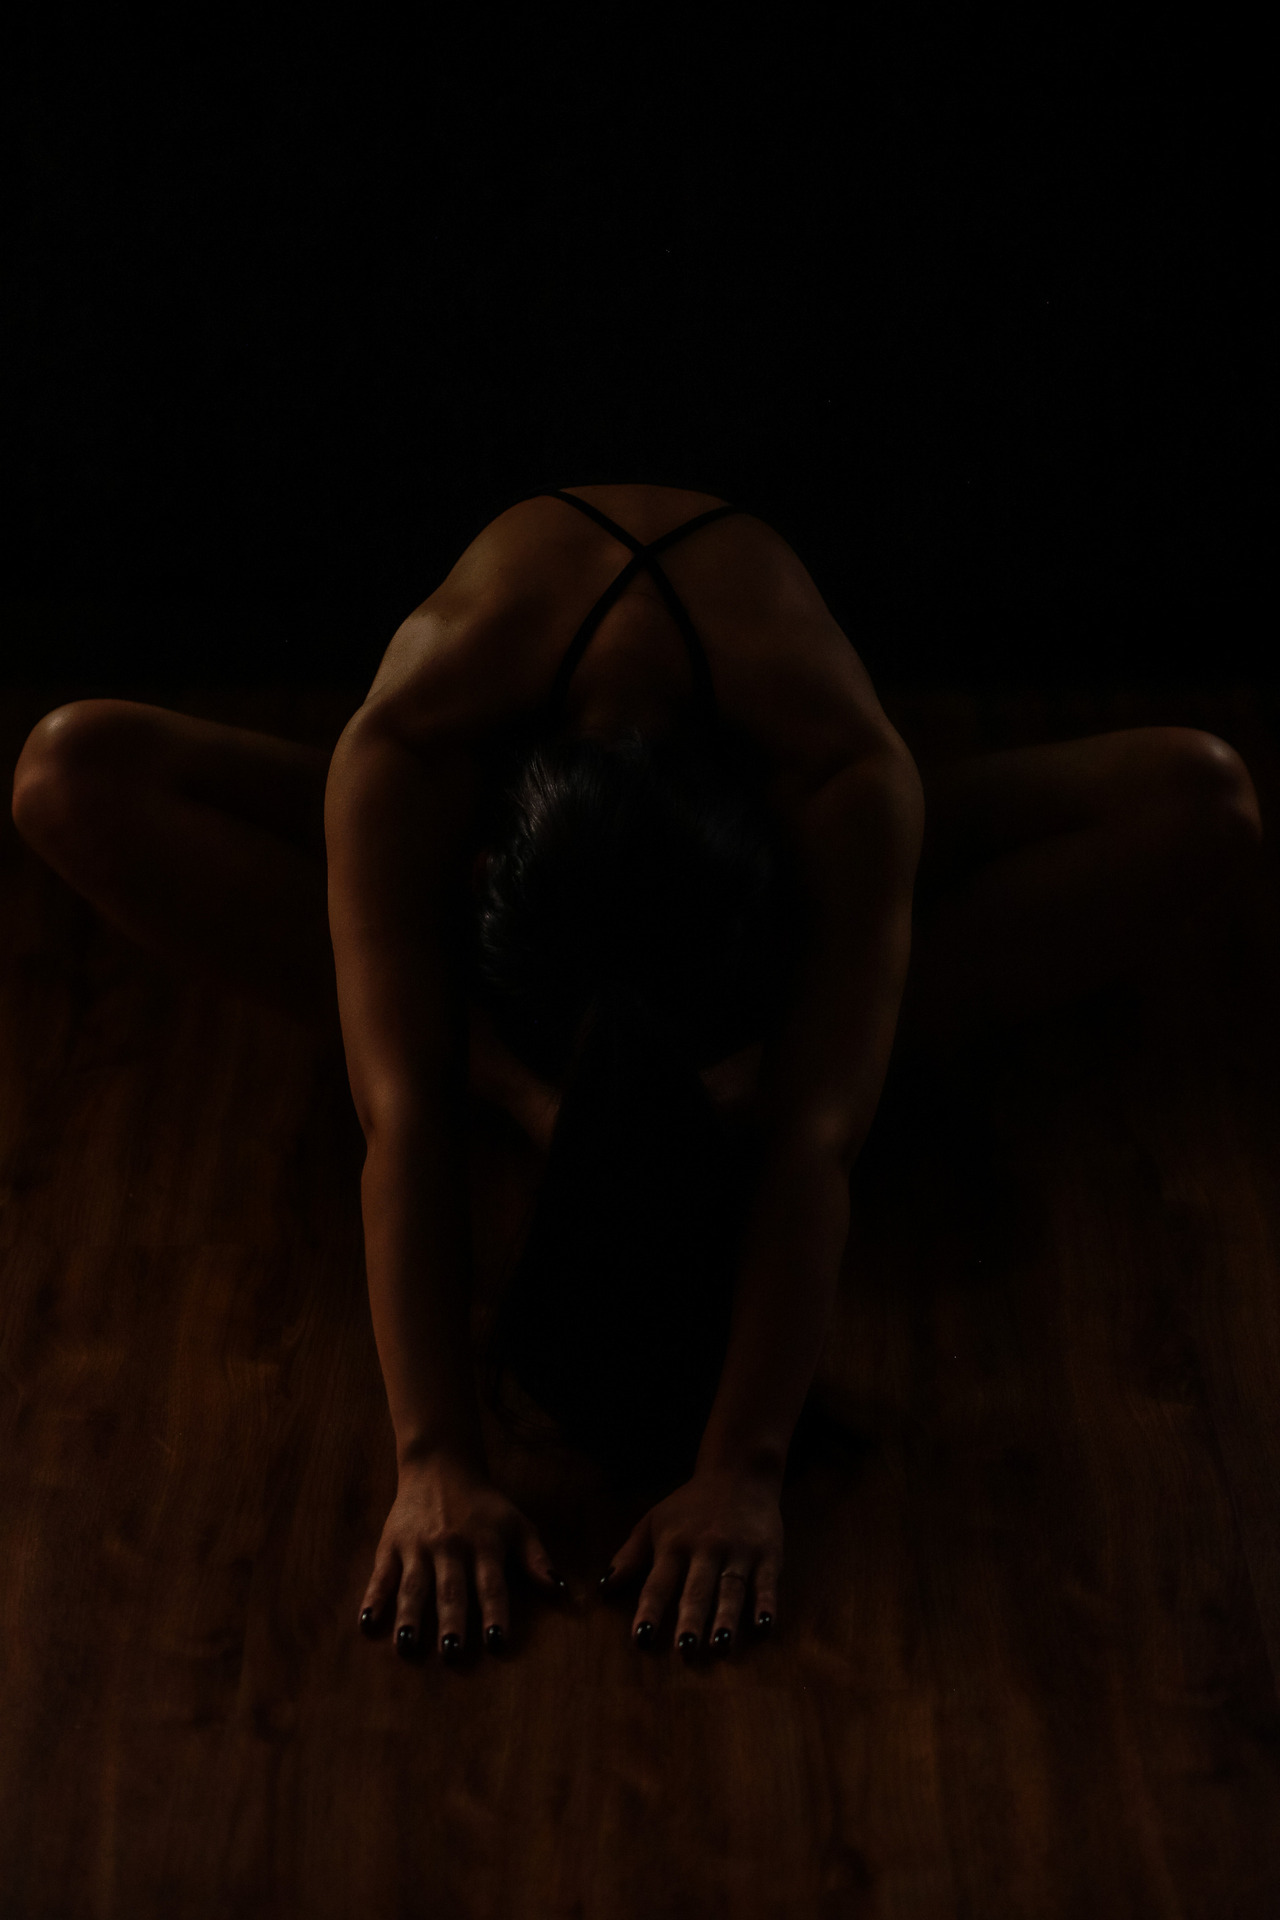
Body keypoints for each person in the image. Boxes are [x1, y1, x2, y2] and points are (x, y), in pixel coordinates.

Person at [10, 484, 1266, 1667]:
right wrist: (433, 1460)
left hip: (773, 876)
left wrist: (741, 1472)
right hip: (495, 860)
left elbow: (812, 1145)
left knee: (1201, 800)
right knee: (68, 771)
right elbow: (401, 1116)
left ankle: (814, 1032)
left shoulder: (842, 779)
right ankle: (539, 1082)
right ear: (479, 884)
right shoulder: (411, 748)